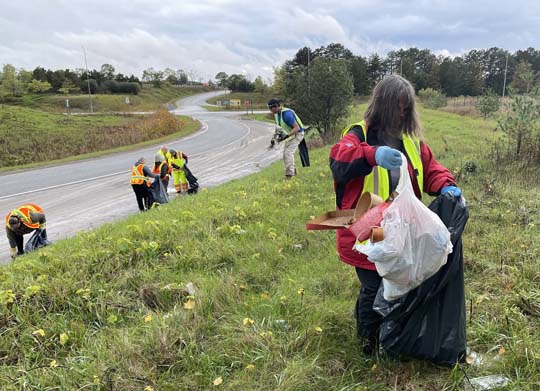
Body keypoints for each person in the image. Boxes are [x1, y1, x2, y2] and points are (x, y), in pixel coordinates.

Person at [329, 74, 462, 355]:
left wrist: (447, 186)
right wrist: (372, 155)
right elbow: (339, 159)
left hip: (402, 228)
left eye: (406, 107)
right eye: (397, 107)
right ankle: (369, 344)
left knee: (400, 282)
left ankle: (394, 340)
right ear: (382, 105)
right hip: (368, 228)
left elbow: (431, 169)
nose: (401, 113)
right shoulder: (357, 135)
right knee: (374, 283)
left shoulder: (411, 141)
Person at [268, 98, 305, 179]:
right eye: (269, 108)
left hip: (298, 134)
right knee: (286, 154)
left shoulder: (287, 114)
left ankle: (289, 175)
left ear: (277, 106)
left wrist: (287, 136)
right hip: (291, 135)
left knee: (288, 153)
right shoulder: (277, 114)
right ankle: (294, 173)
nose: (270, 110)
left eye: (271, 108)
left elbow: (297, 128)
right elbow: (279, 128)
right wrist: (274, 139)